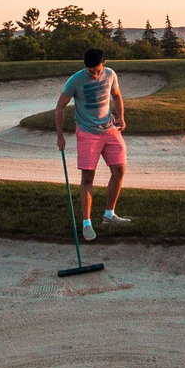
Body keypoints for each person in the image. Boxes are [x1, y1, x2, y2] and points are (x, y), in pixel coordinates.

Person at [55, 47, 132, 241]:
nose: (95, 75)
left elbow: (116, 95)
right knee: (88, 177)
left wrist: (121, 117)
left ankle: (109, 214)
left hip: (110, 130)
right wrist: (60, 136)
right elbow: (59, 107)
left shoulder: (110, 74)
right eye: (91, 72)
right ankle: (86, 223)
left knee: (119, 170)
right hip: (87, 133)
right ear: (85, 68)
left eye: (98, 71)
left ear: (103, 64)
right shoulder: (75, 80)